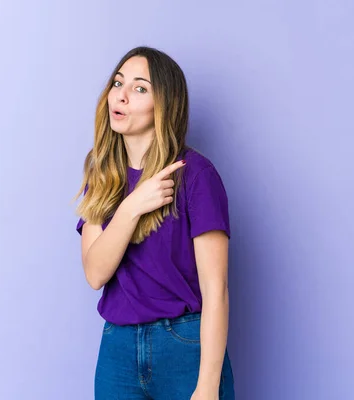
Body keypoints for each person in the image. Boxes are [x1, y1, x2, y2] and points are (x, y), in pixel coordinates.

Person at [74, 46, 235, 399]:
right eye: (118, 83)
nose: (122, 95)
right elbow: (95, 273)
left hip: (184, 346)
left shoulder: (195, 176)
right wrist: (132, 207)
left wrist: (207, 387)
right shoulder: (102, 176)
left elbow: (216, 291)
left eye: (140, 88)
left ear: (164, 104)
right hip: (118, 349)